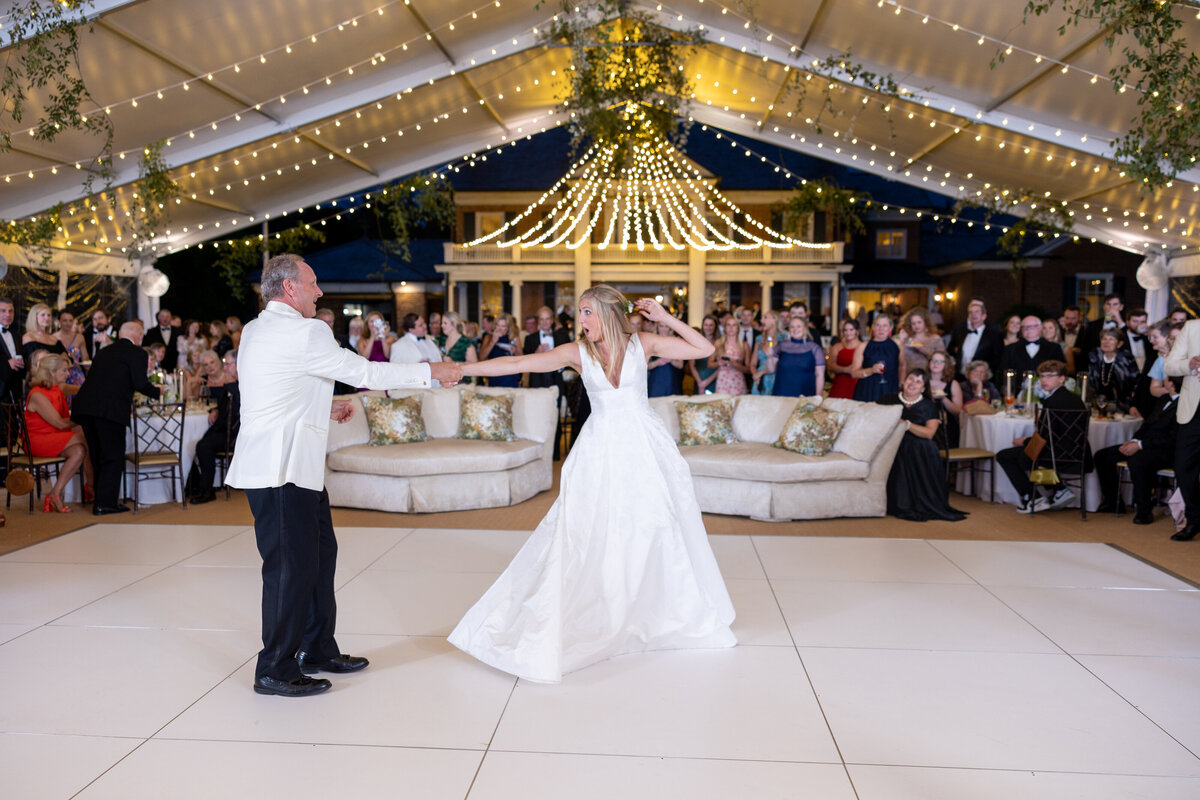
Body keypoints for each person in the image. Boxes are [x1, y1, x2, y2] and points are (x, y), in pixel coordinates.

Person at [449, 285, 735, 683]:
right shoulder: (576, 352)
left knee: (654, 528)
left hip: (644, 449)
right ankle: (603, 612)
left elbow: (703, 349)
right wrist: (463, 370)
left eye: (587, 312)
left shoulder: (644, 342)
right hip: (599, 451)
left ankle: (650, 613)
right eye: (580, 313)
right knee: (590, 533)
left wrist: (665, 318)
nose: (580, 320)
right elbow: (518, 362)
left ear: (608, 312)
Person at [225, 253, 462, 698]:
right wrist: (432, 373)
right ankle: (274, 668)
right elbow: (365, 371)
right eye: (313, 283)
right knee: (288, 570)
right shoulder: (304, 330)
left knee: (319, 557)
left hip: (296, 468)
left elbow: (276, 385)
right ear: (290, 288)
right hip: (280, 470)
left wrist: (323, 404)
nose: (320, 292)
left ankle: (315, 648)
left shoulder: (259, 327)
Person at [71, 321, 161, 515]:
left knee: (97, 455)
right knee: (112, 456)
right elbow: (140, 383)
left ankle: (100, 499)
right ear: (138, 335)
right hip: (109, 410)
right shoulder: (138, 353)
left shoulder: (104, 351)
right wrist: (158, 392)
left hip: (86, 407)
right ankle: (105, 504)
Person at [995, 360, 1090, 514]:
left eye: (1050, 376)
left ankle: (1033, 498)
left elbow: (1046, 437)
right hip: (1079, 452)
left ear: (1062, 379)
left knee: (1005, 456)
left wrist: (1024, 440)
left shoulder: (1051, 401)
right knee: (1030, 453)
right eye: (1042, 377)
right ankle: (1058, 490)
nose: (1044, 380)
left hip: (1057, 454)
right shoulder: (1075, 399)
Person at [877, 369, 966, 522]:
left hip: (920, 447)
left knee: (918, 448)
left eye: (918, 382)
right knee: (899, 449)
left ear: (923, 389)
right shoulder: (888, 399)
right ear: (904, 381)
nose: (913, 384)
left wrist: (906, 424)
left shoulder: (929, 406)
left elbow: (929, 433)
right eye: (911, 379)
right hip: (893, 444)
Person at [1093, 375, 1178, 522]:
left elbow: (1172, 439)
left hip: (1166, 451)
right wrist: (1133, 441)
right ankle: (1114, 501)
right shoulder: (1163, 399)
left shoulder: (1184, 404)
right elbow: (1146, 425)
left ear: (1171, 383)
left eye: (1166, 377)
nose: (1162, 379)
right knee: (1102, 456)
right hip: (1145, 444)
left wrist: (1139, 445)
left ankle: (1144, 510)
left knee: (1137, 461)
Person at [24, 354, 94, 512]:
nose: (68, 374)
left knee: (79, 450)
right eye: (64, 370)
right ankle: (91, 486)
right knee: (84, 435)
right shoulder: (37, 395)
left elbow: (85, 389)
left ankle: (55, 493)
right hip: (37, 440)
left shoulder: (58, 387)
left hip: (54, 436)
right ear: (52, 372)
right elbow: (61, 424)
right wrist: (85, 418)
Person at [188, 350, 240, 505]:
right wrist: (215, 409)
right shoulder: (232, 383)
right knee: (200, 444)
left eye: (228, 364)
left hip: (235, 433)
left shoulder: (238, 383)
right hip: (223, 427)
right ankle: (199, 486)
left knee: (203, 445)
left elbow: (237, 407)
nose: (226, 367)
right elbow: (224, 406)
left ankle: (207, 489)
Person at [1165, 318, 1200, 541]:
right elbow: (1169, 365)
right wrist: (1189, 364)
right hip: (1193, 411)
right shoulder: (1192, 327)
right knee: (1183, 468)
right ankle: (1194, 519)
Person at [947, 298, 1003, 380]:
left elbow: (998, 358)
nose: (973, 314)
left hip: (982, 378)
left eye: (977, 312)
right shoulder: (960, 332)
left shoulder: (994, 334)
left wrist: (982, 369)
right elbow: (951, 350)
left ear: (984, 316)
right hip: (960, 377)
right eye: (970, 312)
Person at [772, 314, 826, 397]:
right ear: (789, 329)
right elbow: (772, 369)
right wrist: (769, 356)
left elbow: (820, 375)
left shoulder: (815, 348)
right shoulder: (781, 346)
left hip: (805, 394)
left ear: (805, 329)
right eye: (792, 327)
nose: (795, 329)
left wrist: (818, 397)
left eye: (798, 326)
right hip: (781, 393)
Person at [1085, 329, 1138, 412]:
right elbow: (1088, 382)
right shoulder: (1094, 356)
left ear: (1119, 344)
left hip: (1121, 406)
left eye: (1111, 339)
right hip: (1096, 405)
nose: (1106, 342)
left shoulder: (1126, 358)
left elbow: (1136, 383)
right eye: (1104, 339)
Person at [851, 314, 901, 402]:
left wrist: (901, 384)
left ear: (890, 327)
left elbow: (902, 366)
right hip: (867, 390)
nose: (881, 328)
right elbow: (854, 373)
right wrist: (871, 370)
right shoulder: (862, 346)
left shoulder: (897, 344)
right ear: (873, 327)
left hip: (891, 389)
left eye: (885, 325)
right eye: (878, 325)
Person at [390, 313, 444, 387]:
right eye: (420, 325)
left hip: (439, 388)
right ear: (411, 330)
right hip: (417, 391)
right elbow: (394, 373)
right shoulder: (398, 346)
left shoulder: (429, 339)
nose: (425, 326)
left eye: (424, 322)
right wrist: (417, 367)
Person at [1000, 316, 1065, 376]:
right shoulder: (1010, 349)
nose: (1028, 329)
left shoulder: (1054, 348)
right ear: (1021, 329)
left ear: (1040, 327)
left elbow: (1060, 371)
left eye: (1032, 326)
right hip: (1018, 387)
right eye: (1025, 327)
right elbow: (1003, 372)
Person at [928, 351, 963, 447]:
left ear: (946, 365)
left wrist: (943, 399)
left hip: (947, 428)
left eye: (940, 361)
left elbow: (958, 412)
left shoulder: (953, 384)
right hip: (925, 424)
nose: (936, 364)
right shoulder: (922, 381)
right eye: (933, 360)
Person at [709, 314, 750, 395]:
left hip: (737, 381)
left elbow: (748, 369)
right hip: (722, 381)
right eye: (728, 325)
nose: (731, 328)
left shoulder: (744, 345)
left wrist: (735, 364)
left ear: (738, 328)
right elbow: (709, 364)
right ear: (725, 328)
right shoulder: (718, 343)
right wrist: (719, 363)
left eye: (734, 325)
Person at [897, 307, 945, 374]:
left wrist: (924, 350)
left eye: (919, 322)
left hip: (927, 375)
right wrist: (901, 341)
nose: (916, 325)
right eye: (913, 323)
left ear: (926, 322)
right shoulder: (907, 338)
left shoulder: (935, 339)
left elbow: (943, 360)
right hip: (907, 374)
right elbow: (897, 358)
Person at [480, 313, 521, 388]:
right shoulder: (488, 337)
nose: (499, 328)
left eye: (503, 326)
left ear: (508, 327)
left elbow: (521, 358)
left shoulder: (514, 338)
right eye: (498, 325)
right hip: (494, 373)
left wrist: (515, 349)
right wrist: (492, 342)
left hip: (510, 375)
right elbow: (481, 357)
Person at [646, 318, 683, 396]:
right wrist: (657, 362)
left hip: (671, 380)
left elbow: (680, 365)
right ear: (657, 327)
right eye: (661, 326)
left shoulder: (675, 341)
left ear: (670, 328)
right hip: (656, 380)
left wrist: (671, 360)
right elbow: (646, 366)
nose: (664, 329)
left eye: (666, 326)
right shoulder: (651, 341)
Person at [54, 309, 88, 392]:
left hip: (77, 375)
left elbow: (85, 358)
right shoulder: (52, 338)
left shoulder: (79, 337)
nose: (68, 323)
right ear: (59, 321)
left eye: (70, 320)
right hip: (60, 377)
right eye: (65, 320)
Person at [827, 319, 862, 399]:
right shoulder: (837, 346)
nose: (848, 332)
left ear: (857, 331)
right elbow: (829, 366)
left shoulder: (864, 346)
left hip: (857, 384)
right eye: (845, 330)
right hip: (840, 384)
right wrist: (845, 369)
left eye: (851, 330)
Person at [750, 309, 783, 395]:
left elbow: (783, 362)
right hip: (759, 380)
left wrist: (762, 372)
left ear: (775, 319)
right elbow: (753, 363)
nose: (761, 320)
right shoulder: (759, 339)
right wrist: (755, 375)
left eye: (765, 318)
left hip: (777, 378)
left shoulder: (784, 338)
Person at [0, 297, 26, 403]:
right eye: (3, 311)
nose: (8, 314)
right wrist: (7, 364)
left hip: (15, 393)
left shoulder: (17, 335)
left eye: (11, 311)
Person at [688, 315, 719, 395]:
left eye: (711, 325)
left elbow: (721, 366)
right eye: (706, 325)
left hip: (714, 380)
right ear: (702, 326)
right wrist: (700, 383)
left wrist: (707, 382)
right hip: (699, 379)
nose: (708, 327)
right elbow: (692, 365)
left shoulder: (719, 343)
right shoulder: (696, 341)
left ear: (715, 327)